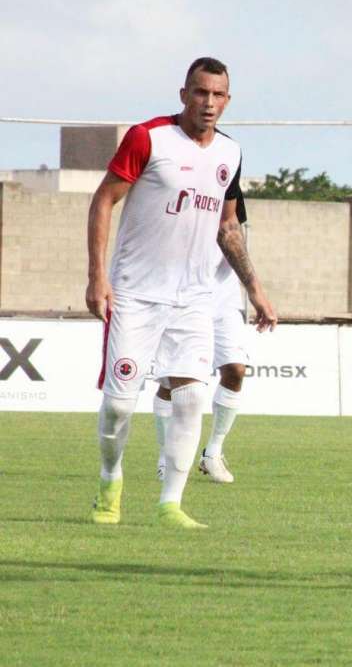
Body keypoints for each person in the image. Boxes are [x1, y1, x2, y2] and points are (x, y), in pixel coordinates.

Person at [85, 57, 276, 529]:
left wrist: (255, 288)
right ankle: (111, 481)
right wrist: (97, 276)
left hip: (193, 298)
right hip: (135, 294)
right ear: (183, 94)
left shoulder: (230, 153)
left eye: (218, 95)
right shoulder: (148, 138)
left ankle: (171, 502)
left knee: (192, 396)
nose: (208, 103)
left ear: (228, 100)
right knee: (119, 405)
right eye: (200, 92)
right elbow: (103, 199)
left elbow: (228, 227)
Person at [155, 217, 249, 485]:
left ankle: (213, 452)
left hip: (223, 294)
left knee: (236, 369)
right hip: (182, 290)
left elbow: (232, 229)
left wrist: (254, 288)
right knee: (173, 380)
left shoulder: (227, 180)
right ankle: (165, 457)